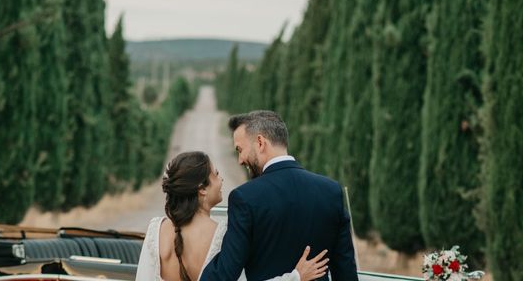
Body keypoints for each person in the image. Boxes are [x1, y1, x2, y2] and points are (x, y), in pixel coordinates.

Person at [200, 110, 358, 281]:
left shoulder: (245, 198)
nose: (240, 160)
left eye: (240, 149)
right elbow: (346, 273)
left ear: (260, 142)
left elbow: (223, 276)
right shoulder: (331, 191)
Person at [135, 151, 329, 281]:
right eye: (216, 174)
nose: (221, 180)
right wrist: (296, 276)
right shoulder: (225, 233)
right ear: (201, 189)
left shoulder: (156, 229)